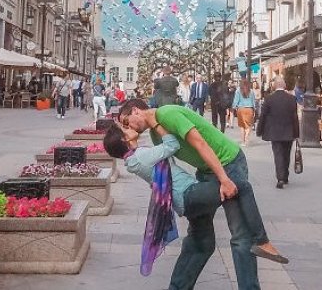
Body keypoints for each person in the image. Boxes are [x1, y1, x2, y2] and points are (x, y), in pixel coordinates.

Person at [118, 100, 287, 288]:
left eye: (127, 122)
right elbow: (165, 167)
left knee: (240, 236)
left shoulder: (166, 114)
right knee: (200, 238)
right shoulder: (156, 133)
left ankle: (256, 262)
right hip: (206, 171)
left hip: (228, 163)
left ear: (135, 110)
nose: (129, 127)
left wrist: (224, 179)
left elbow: (200, 143)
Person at [257, 75, 300, 189]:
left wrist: (259, 130)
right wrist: (297, 133)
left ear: (274, 86)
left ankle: (280, 178)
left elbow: (263, 116)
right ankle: (285, 176)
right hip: (288, 131)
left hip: (274, 132)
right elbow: (295, 117)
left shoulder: (269, 99)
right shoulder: (291, 99)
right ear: (284, 85)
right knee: (286, 154)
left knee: (278, 154)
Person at [232, 79, 257, 146]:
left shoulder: (238, 91)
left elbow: (236, 100)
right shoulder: (251, 91)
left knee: (242, 126)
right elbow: (253, 101)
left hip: (241, 109)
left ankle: (243, 141)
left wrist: (234, 107)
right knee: (249, 126)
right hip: (249, 109)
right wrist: (254, 109)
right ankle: (247, 138)